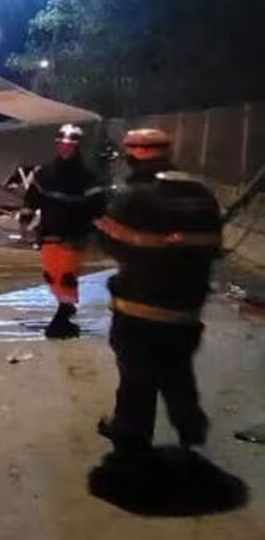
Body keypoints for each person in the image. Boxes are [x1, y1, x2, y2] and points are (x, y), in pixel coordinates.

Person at [94, 128, 224, 454]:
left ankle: (130, 435)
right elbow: (213, 247)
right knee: (177, 369)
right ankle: (190, 425)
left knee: (136, 376)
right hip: (187, 307)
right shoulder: (203, 194)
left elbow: (108, 243)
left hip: (139, 307)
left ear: (133, 154)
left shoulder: (133, 196)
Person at [20, 123, 105, 339]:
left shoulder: (88, 178)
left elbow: (98, 207)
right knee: (52, 275)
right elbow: (32, 197)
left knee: (66, 276)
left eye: (70, 144)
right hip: (49, 232)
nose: (65, 148)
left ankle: (63, 316)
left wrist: (100, 229)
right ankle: (65, 308)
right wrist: (26, 217)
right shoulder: (45, 174)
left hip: (74, 235)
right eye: (62, 144)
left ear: (77, 147)